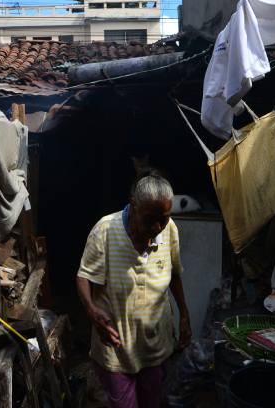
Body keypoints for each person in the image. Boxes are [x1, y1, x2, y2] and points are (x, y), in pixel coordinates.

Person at [76, 174, 191, 408]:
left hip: (155, 342)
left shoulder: (169, 231)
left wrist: (185, 315)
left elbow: (175, 274)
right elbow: (84, 276)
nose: (158, 227)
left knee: (152, 401)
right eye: (150, 220)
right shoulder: (105, 230)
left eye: (164, 219)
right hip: (117, 348)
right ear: (133, 205)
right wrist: (91, 310)